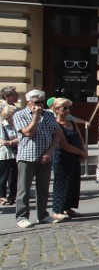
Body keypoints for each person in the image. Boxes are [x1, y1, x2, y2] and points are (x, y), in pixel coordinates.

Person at [12, 90, 60, 228]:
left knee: (43, 188)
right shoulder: (19, 115)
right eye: (37, 102)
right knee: (24, 189)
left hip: (45, 156)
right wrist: (35, 117)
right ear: (28, 102)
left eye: (42, 102)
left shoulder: (49, 114)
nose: (40, 105)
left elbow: (57, 133)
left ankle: (43, 215)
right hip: (27, 156)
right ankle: (22, 217)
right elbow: (28, 133)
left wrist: (50, 151)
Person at [50, 98, 87, 221]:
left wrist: (83, 150)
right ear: (56, 110)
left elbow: (79, 138)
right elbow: (64, 145)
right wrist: (80, 152)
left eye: (69, 108)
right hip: (62, 157)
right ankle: (57, 210)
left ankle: (68, 208)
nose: (68, 110)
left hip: (74, 156)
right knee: (61, 183)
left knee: (73, 183)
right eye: (64, 108)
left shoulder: (72, 123)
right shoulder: (55, 124)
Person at [0, 102, 18, 206]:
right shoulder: (2, 125)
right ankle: (2, 196)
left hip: (16, 154)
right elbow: (3, 142)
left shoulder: (16, 125)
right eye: (14, 113)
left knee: (14, 176)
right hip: (5, 154)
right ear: (9, 114)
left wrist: (13, 141)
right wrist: (17, 140)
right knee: (3, 176)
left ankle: (12, 195)